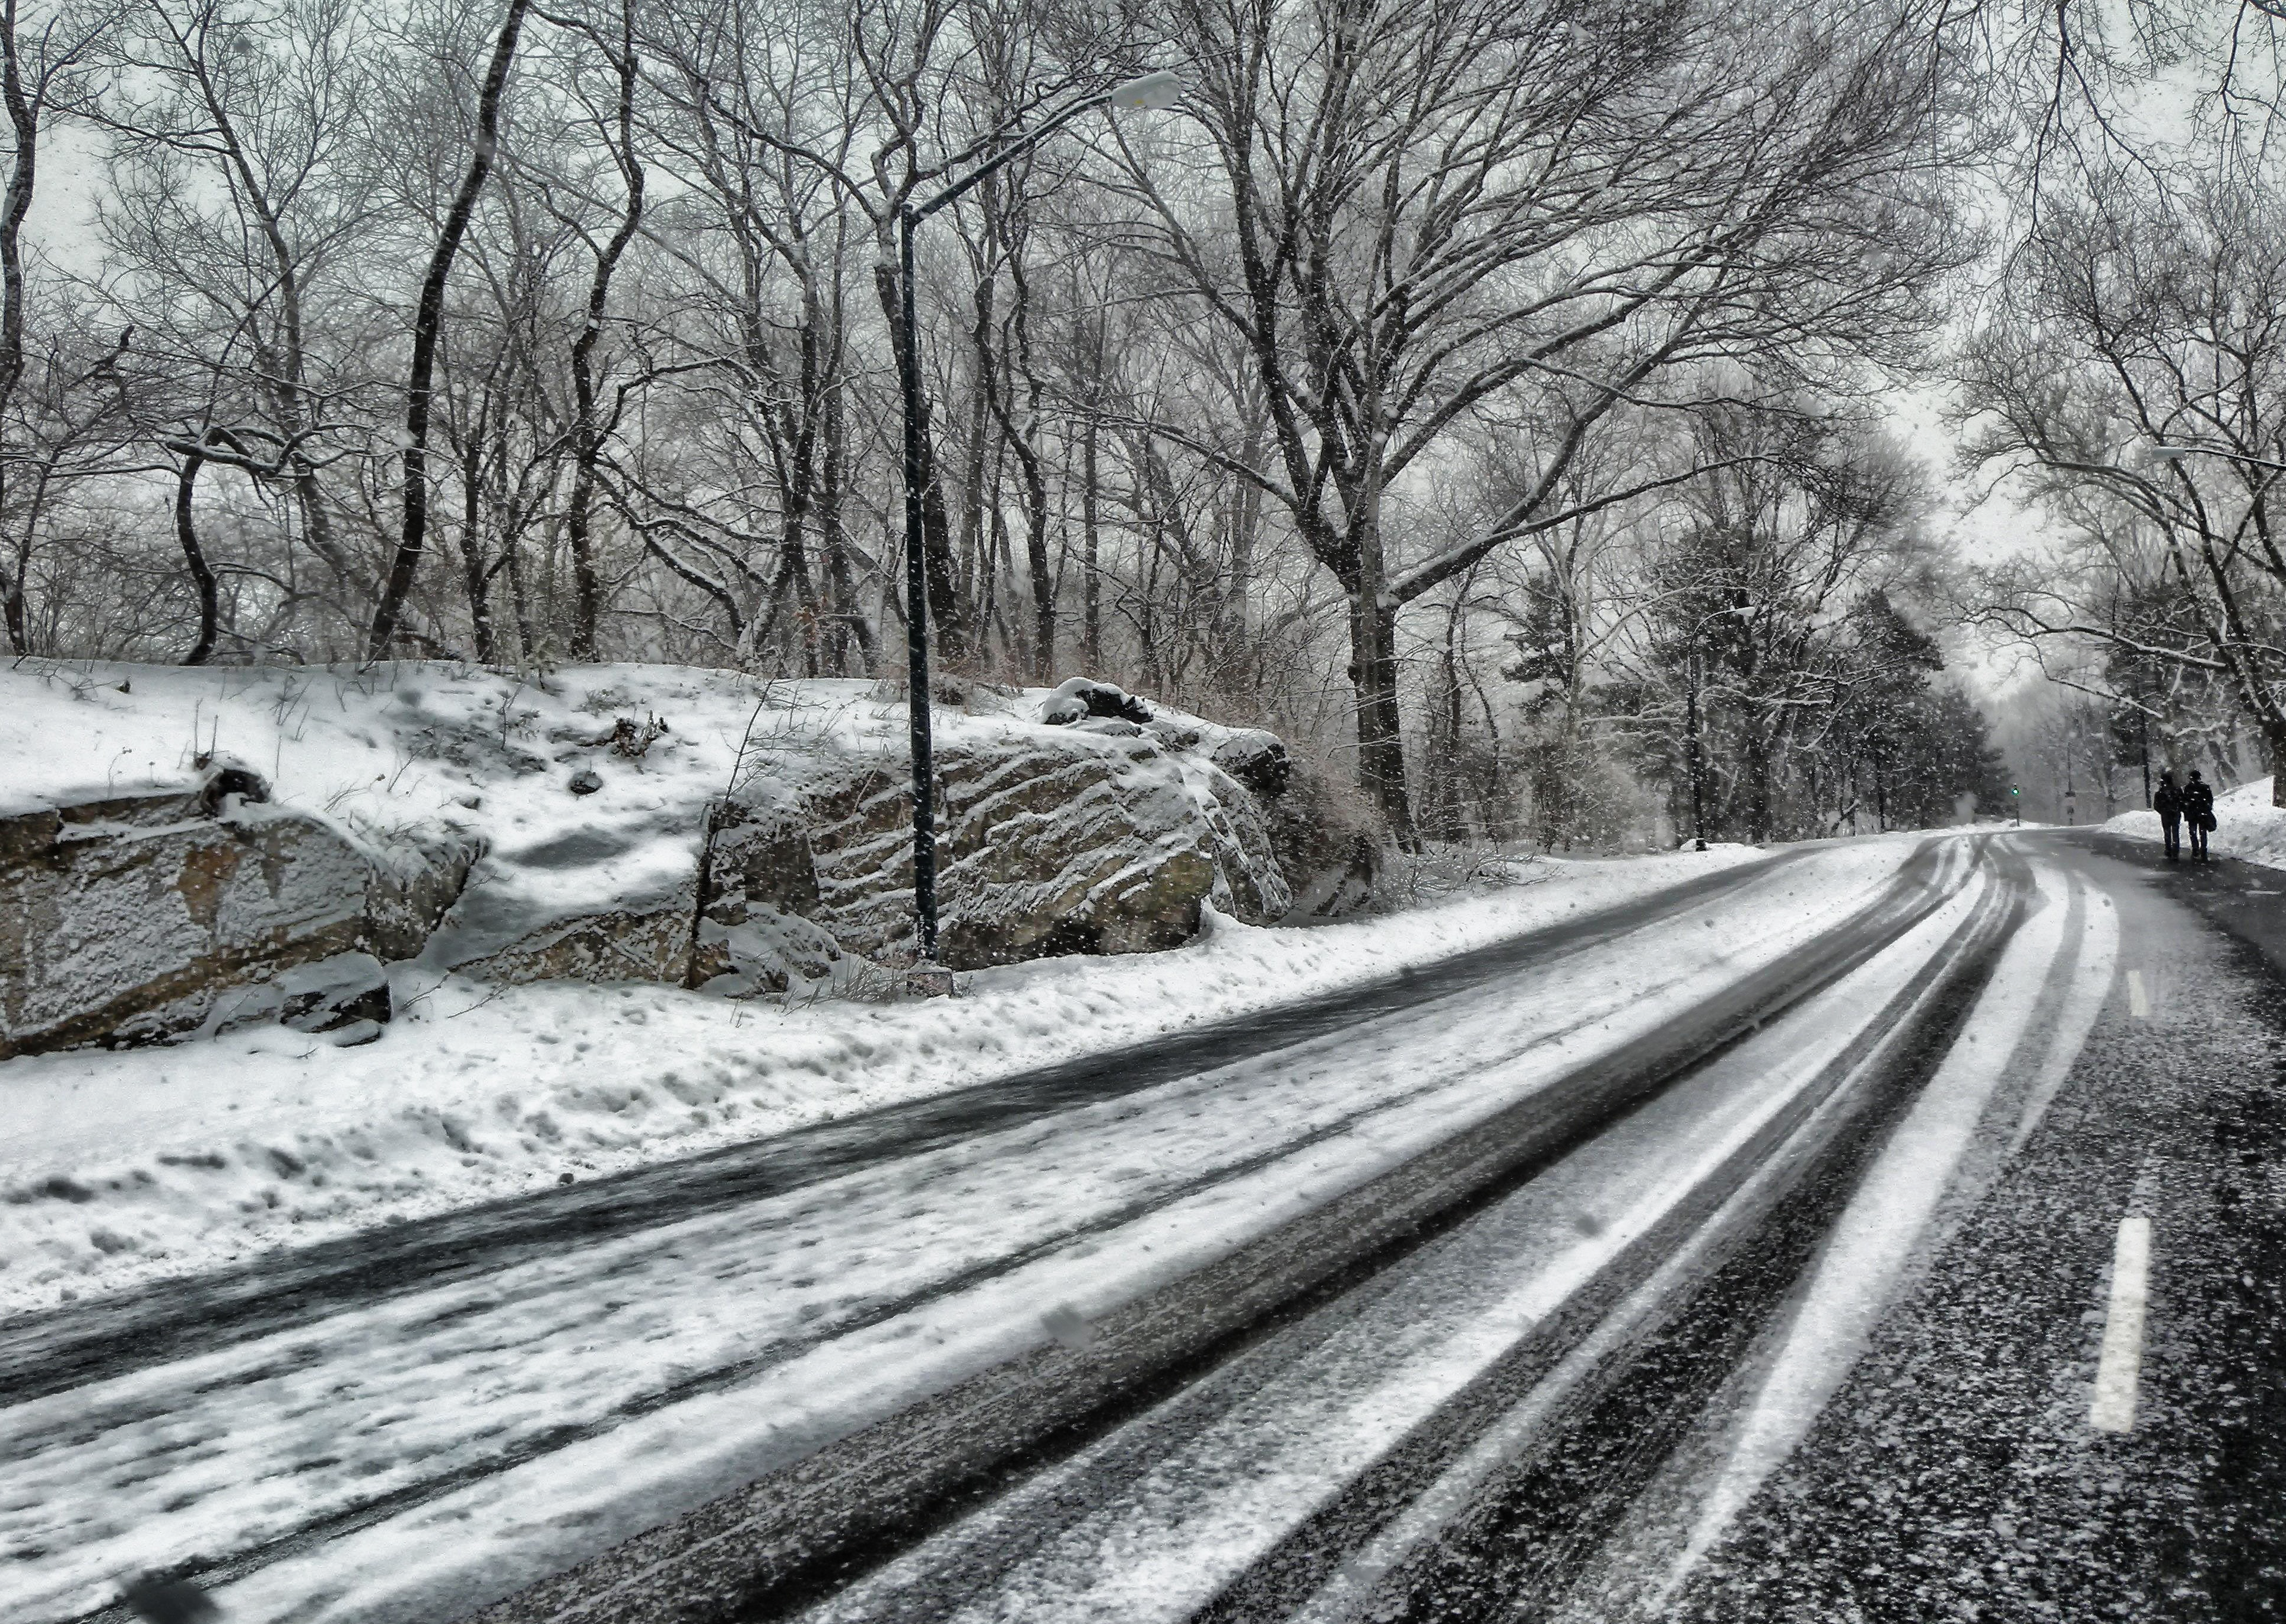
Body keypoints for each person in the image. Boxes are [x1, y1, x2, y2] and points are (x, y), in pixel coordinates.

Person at [2182, 770, 2216, 862]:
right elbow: (2210, 800)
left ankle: (2195, 849)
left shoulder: (2188, 788)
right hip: (2202, 814)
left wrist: (2187, 809)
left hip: (2192, 814)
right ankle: (2203, 850)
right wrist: (2206, 809)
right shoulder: (2205, 787)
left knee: (2193, 832)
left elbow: (2185, 801)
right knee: (2203, 832)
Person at [2153, 770, 2183, 860]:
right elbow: (2182, 801)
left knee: (2167, 833)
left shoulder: (2160, 793)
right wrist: (2178, 809)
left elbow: (2156, 805)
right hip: (2175, 814)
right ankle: (2176, 850)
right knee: (2175, 832)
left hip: (2166, 815)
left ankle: (2168, 849)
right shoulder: (2177, 790)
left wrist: (2163, 811)